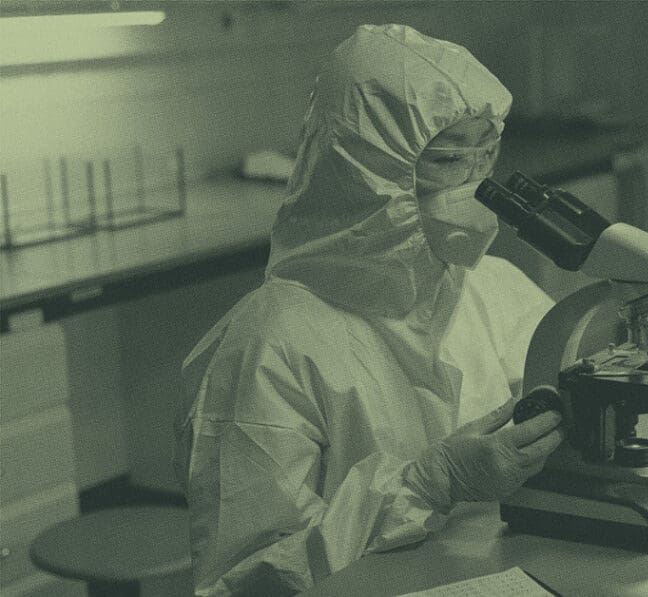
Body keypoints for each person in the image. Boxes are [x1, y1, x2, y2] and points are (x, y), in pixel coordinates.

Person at [175, 24, 564, 596]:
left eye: (484, 155)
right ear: (368, 172)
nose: (476, 184)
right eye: (449, 159)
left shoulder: (491, 287)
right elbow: (247, 579)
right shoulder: (269, 346)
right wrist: (430, 484)